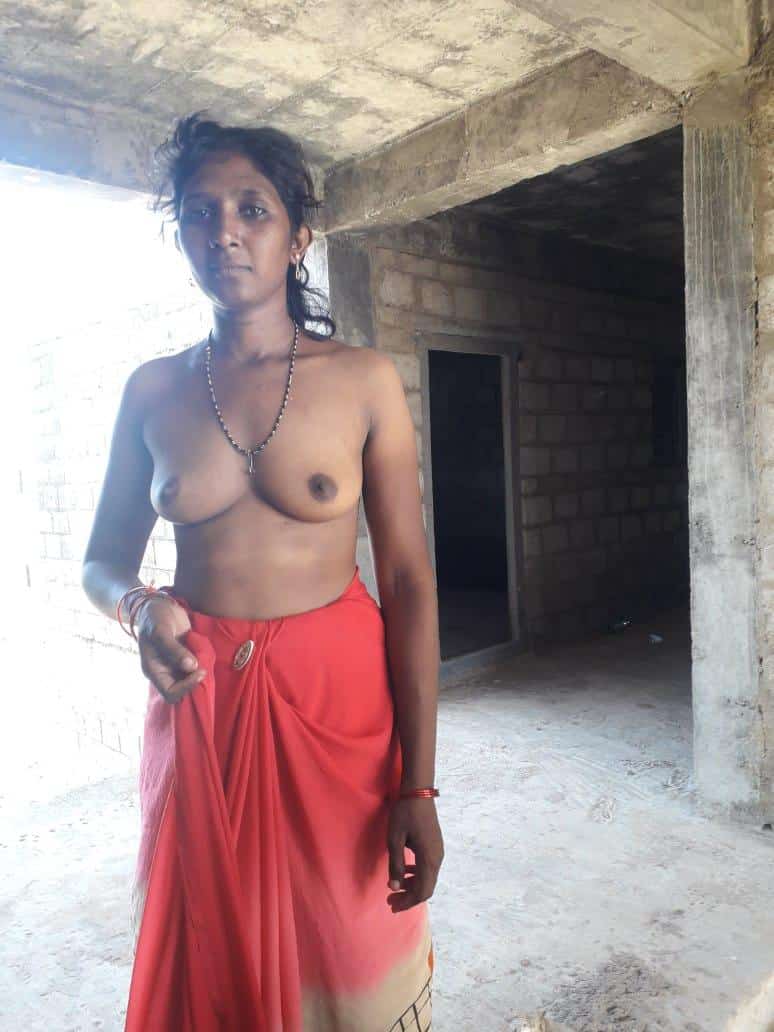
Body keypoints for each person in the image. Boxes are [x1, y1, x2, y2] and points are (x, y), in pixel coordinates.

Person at [81, 112, 444, 1031]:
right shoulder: (153, 389)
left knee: (346, 937)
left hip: (339, 713)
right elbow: (101, 563)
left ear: (298, 237)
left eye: (252, 209)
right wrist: (139, 608)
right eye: (200, 213)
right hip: (200, 708)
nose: (226, 232)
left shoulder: (363, 380)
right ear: (182, 238)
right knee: (215, 948)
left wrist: (418, 785)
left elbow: (408, 584)